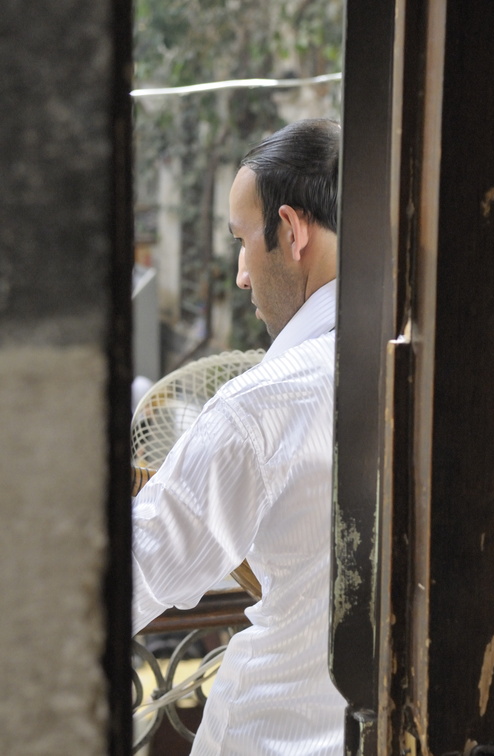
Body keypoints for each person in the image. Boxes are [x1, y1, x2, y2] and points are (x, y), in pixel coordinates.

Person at [132, 118, 346, 755]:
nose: (241, 276)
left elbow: (135, 569)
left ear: (293, 231)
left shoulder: (262, 405)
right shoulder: (439, 374)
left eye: (243, 242)